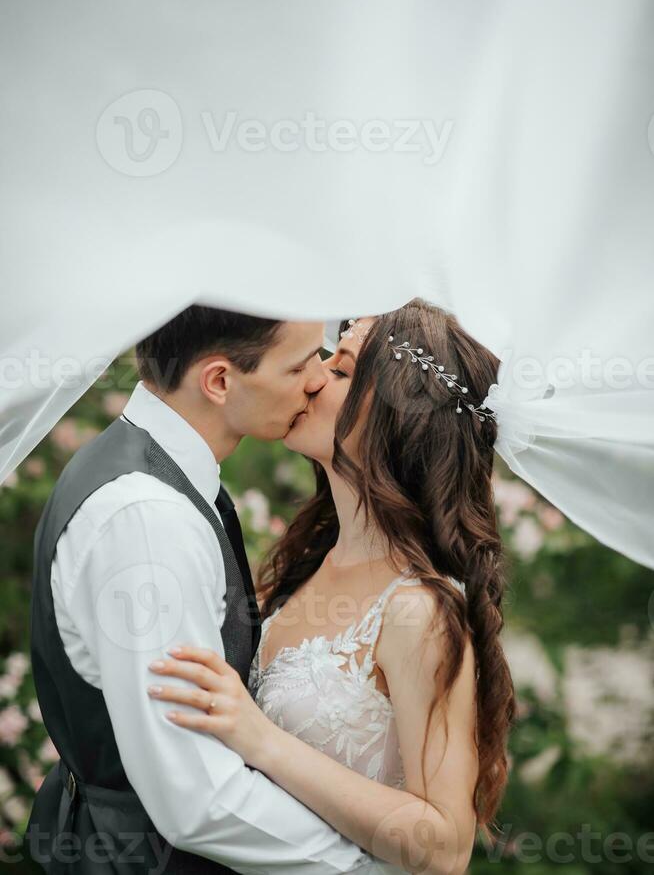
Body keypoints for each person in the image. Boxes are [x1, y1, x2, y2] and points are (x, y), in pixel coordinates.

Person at [144, 300, 517, 875]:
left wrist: (261, 740)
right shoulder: (303, 566)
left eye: (339, 370)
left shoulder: (418, 608)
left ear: (398, 414)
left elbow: (444, 847)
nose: (312, 378)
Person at [25, 306, 386, 874]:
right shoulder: (148, 519)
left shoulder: (156, 476)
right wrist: (366, 869)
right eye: (296, 368)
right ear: (219, 381)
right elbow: (197, 799)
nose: (318, 379)